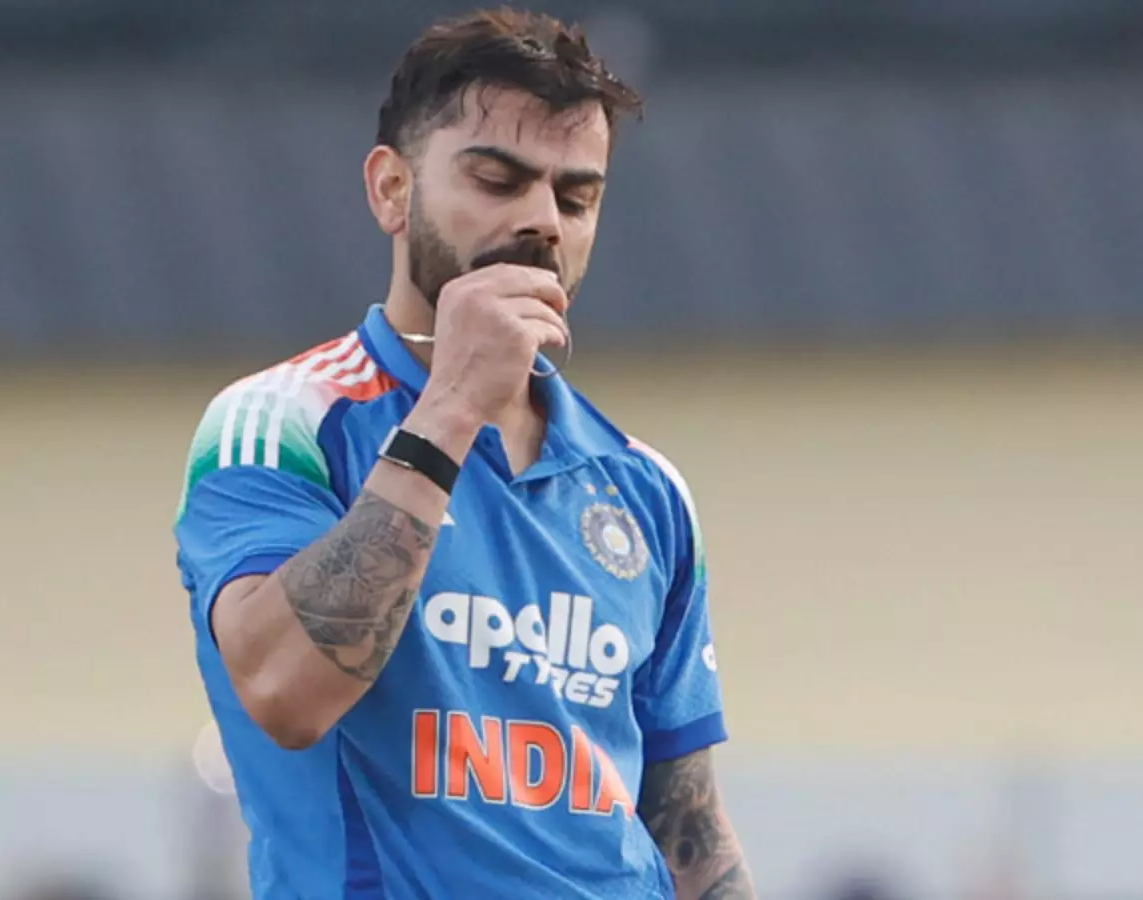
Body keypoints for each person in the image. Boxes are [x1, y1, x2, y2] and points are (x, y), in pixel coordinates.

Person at [173, 8, 756, 898]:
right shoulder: (285, 420)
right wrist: (451, 404)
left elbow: (689, 828)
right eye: (497, 180)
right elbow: (285, 692)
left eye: (576, 198)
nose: (542, 221)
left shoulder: (646, 489)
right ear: (390, 190)